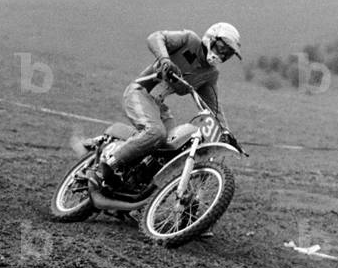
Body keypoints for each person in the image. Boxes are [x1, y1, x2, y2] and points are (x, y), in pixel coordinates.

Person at [89, 22, 241, 189]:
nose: (222, 55)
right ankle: (104, 169)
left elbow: (213, 107)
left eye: (228, 54)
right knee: (156, 132)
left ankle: (134, 184)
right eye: (221, 48)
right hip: (139, 92)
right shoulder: (189, 40)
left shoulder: (210, 74)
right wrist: (165, 60)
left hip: (158, 106)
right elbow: (155, 37)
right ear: (211, 38)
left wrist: (225, 133)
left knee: (172, 147)